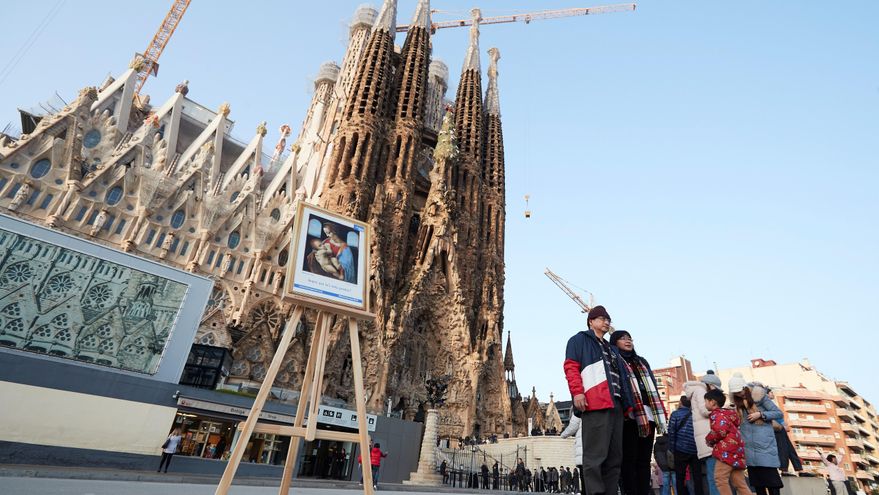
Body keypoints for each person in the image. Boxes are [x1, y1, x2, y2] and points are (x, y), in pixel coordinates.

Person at [563, 305, 636, 495]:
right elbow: (571, 367)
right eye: (602, 318)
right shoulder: (579, 340)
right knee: (594, 457)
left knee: (614, 458)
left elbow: (622, 378)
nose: (606, 322)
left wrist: (627, 406)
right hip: (595, 403)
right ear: (591, 321)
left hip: (616, 405)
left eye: (608, 319)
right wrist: (577, 393)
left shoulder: (611, 349)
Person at [611, 330, 668, 495]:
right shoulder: (614, 360)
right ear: (615, 343)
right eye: (623, 338)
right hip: (629, 414)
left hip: (649, 414)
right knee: (629, 459)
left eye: (629, 338)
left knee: (643, 459)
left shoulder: (641, 361)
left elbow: (653, 388)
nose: (628, 341)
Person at [728, 374, 783, 495]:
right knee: (758, 485)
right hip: (749, 449)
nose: (740, 394)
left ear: (745, 387)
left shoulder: (760, 397)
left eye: (741, 391)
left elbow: (778, 413)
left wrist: (761, 415)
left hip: (765, 446)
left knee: (773, 484)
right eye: (736, 393)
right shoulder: (737, 404)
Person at [703, 388, 753, 495]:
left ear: (712, 402)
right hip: (737, 452)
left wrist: (709, 439)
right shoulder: (728, 414)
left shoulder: (717, 414)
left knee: (720, 479)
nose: (705, 404)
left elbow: (720, 431)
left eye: (705, 401)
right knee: (739, 483)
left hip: (726, 453)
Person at [684, 370, 724, 495]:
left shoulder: (696, 391)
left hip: (705, 439)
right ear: (709, 384)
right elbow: (705, 410)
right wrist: (724, 410)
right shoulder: (701, 391)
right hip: (709, 439)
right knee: (716, 477)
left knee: (714, 476)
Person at [668, 395, 703, 495]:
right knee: (697, 476)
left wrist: (672, 449)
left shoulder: (675, 414)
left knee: (680, 476)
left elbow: (671, 432)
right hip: (695, 450)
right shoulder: (695, 414)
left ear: (681, 403)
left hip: (680, 449)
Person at [766, 388, 802, 474]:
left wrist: (784, 425)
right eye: (771, 392)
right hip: (777, 429)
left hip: (781, 428)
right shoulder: (765, 405)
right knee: (782, 449)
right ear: (766, 394)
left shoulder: (771, 404)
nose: (772, 394)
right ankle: (784, 470)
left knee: (790, 449)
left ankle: (799, 469)